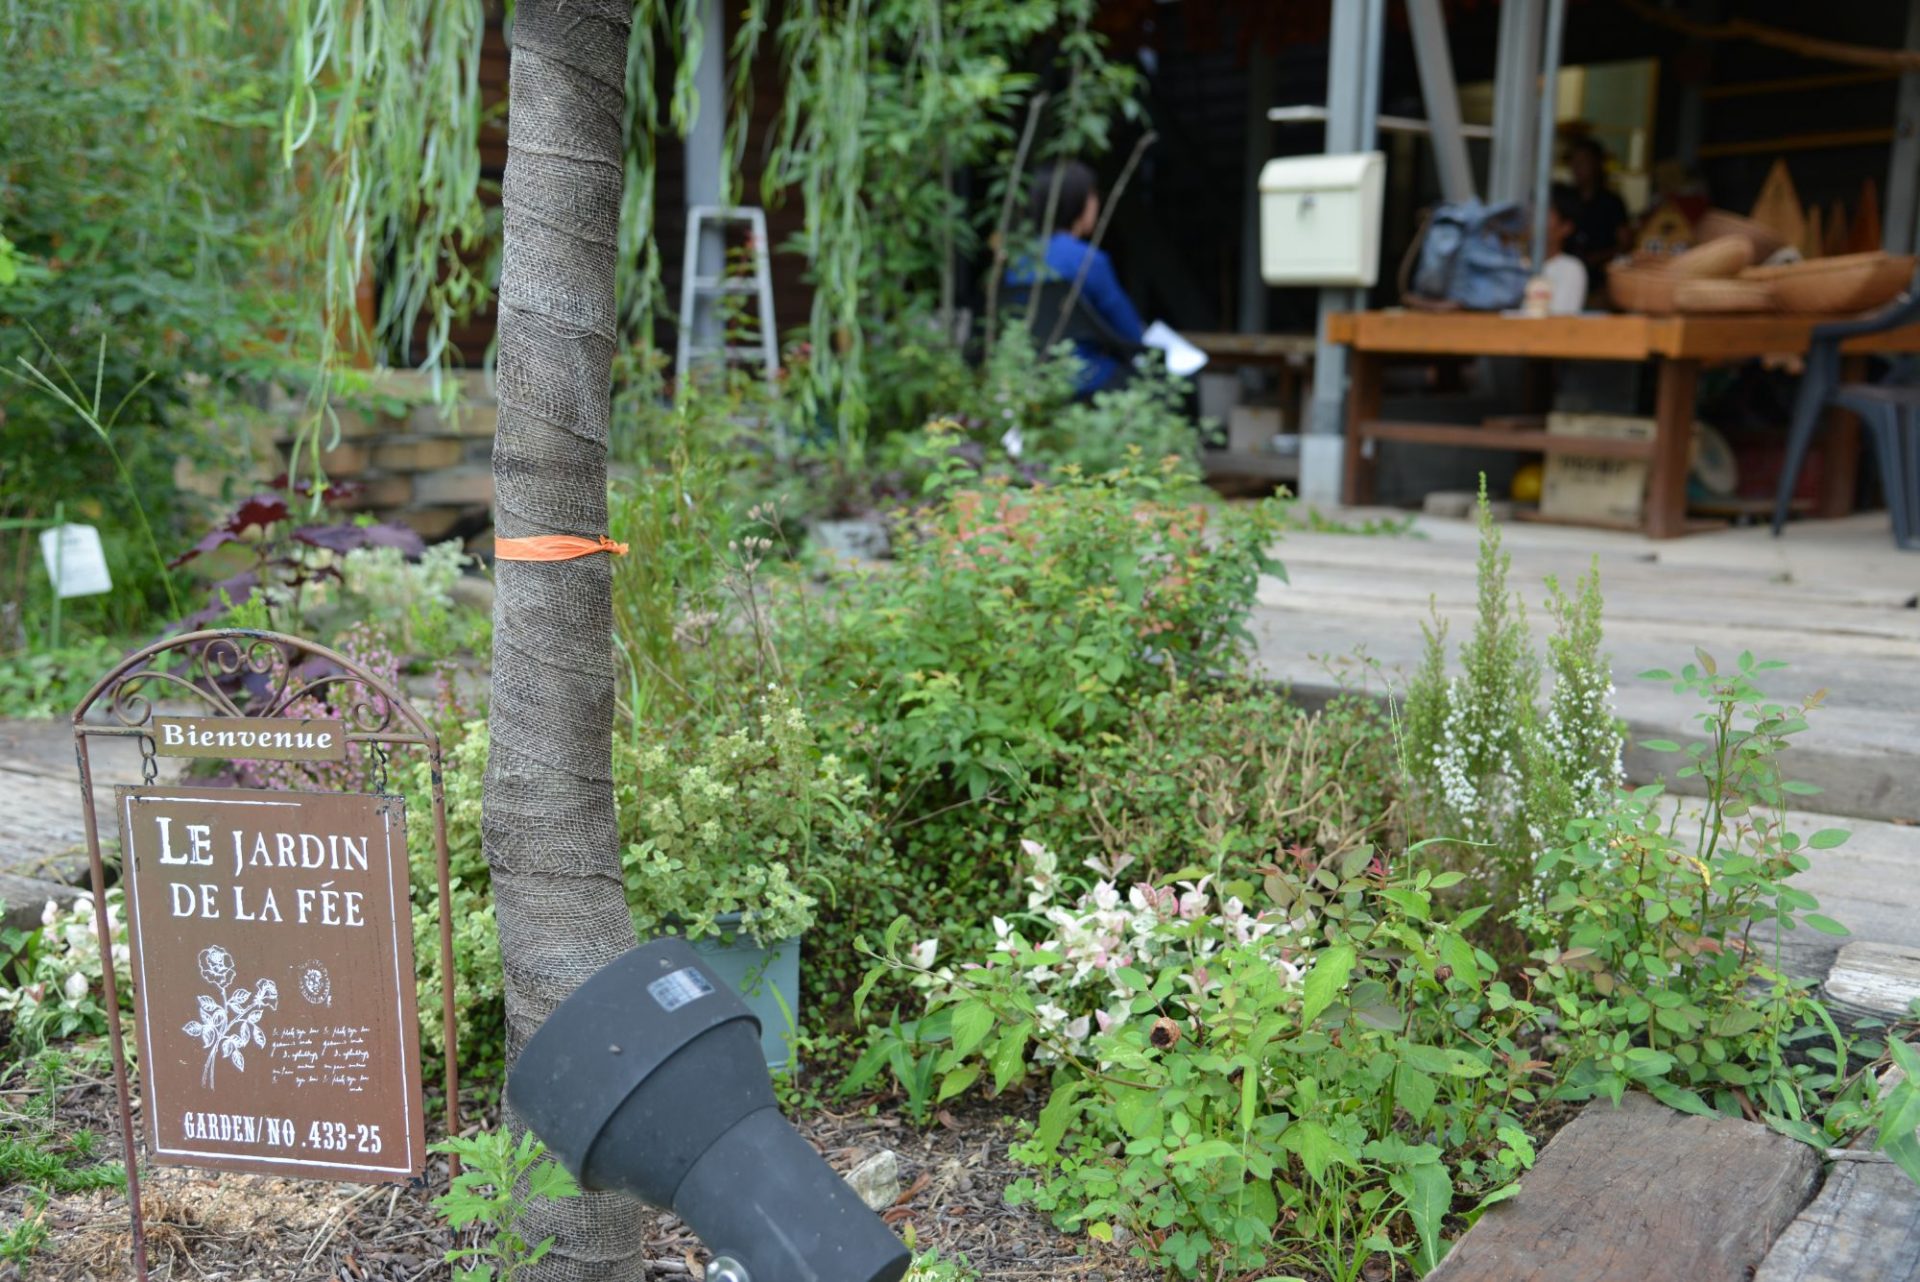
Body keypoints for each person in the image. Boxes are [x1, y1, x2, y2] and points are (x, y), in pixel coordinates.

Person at [1004, 160, 1146, 396]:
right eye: (1093, 195)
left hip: (1030, 374)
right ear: (1078, 201)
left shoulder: (1018, 260)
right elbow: (1130, 333)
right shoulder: (1089, 260)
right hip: (1088, 377)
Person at [1564, 137, 1630, 276]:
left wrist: (1598, 257)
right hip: (1567, 270)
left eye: (1582, 161)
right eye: (1574, 161)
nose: (1577, 167)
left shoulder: (1612, 202)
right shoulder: (1565, 198)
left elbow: (1625, 243)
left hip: (1600, 274)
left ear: (1595, 164)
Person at [1540, 183, 1589, 314]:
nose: (1535, 218)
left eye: (1545, 212)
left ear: (1566, 227)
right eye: (1533, 208)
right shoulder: (1513, 263)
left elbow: (1558, 323)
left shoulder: (1570, 269)